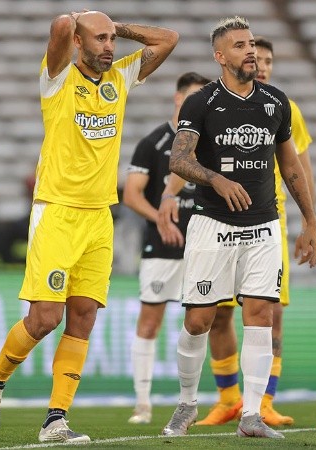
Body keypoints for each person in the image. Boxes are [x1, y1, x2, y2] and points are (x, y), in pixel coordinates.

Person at [0, 11, 178, 444]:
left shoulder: (120, 78)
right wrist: (76, 22)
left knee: (82, 317)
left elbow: (168, 38)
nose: (110, 47)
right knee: (45, 318)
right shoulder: (57, 79)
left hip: (99, 216)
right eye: (100, 40)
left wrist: (115, 28)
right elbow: (60, 29)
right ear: (79, 43)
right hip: (58, 212)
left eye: (112, 41)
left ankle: (56, 418)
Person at [156, 16, 316, 439]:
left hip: (263, 225)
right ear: (220, 56)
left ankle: (251, 415)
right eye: (239, 45)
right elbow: (177, 161)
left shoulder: (276, 102)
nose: (250, 51)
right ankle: (187, 403)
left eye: (251, 43)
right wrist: (216, 178)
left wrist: (310, 222)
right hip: (212, 224)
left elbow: (291, 167)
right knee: (199, 321)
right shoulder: (201, 103)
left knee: (261, 314)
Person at [123, 72, 211, 425]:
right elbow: (131, 195)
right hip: (161, 248)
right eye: (193, 98)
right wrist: (159, 218)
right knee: (150, 320)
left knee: (205, 321)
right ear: (178, 100)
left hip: (203, 245)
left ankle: (194, 400)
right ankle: (142, 403)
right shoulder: (153, 142)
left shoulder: (209, 142)